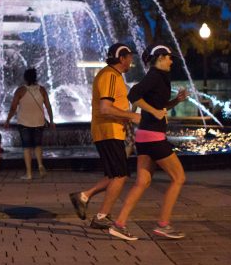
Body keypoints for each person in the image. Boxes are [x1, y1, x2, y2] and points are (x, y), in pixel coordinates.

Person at [107, 44, 188, 241]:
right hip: (153, 137)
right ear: (160, 58)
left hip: (144, 136)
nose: (171, 60)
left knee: (142, 182)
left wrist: (175, 102)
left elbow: (158, 106)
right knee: (179, 178)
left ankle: (119, 224)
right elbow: (133, 95)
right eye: (169, 57)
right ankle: (163, 224)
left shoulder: (160, 77)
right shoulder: (154, 75)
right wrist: (153, 111)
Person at [68, 43, 141, 229]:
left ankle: (83, 196)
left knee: (114, 174)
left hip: (113, 130)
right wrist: (132, 116)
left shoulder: (114, 76)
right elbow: (105, 107)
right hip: (108, 130)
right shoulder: (109, 75)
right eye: (129, 56)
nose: (131, 60)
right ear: (122, 58)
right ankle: (102, 216)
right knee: (120, 174)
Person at [4, 68, 55, 180]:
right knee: (37, 145)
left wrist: (7, 120)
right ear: (36, 77)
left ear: (25, 78)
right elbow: (48, 106)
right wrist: (51, 121)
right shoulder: (42, 90)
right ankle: (40, 165)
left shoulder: (20, 90)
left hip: (24, 123)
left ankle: (29, 173)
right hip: (39, 122)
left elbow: (13, 108)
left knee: (27, 147)